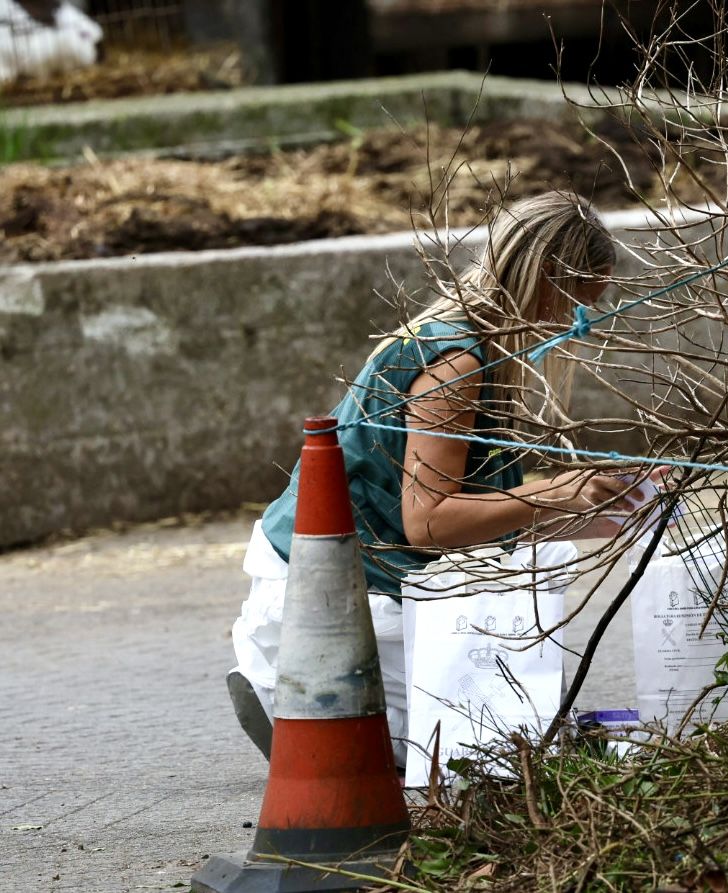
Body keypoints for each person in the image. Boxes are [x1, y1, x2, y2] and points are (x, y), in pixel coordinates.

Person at [227, 191, 641, 764]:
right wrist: (551, 492)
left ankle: (310, 702)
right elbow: (429, 524)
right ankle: (303, 705)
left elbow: (477, 514)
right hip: (339, 589)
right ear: (544, 279)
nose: (572, 326)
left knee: (518, 714)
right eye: (571, 304)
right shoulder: (457, 362)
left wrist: (590, 512)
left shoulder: (472, 345)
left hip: (347, 570)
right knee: (489, 741)